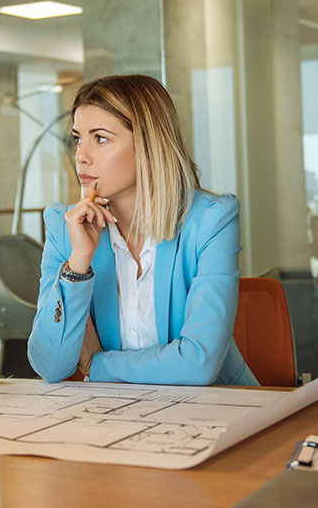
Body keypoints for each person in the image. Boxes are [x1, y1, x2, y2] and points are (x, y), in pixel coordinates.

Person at [27, 74, 257, 385]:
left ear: (149, 145)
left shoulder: (211, 221)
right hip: (114, 417)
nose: (81, 155)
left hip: (216, 414)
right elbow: (50, 366)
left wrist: (97, 365)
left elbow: (198, 365)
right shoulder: (65, 227)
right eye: (78, 138)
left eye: (100, 138)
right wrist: (78, 262)